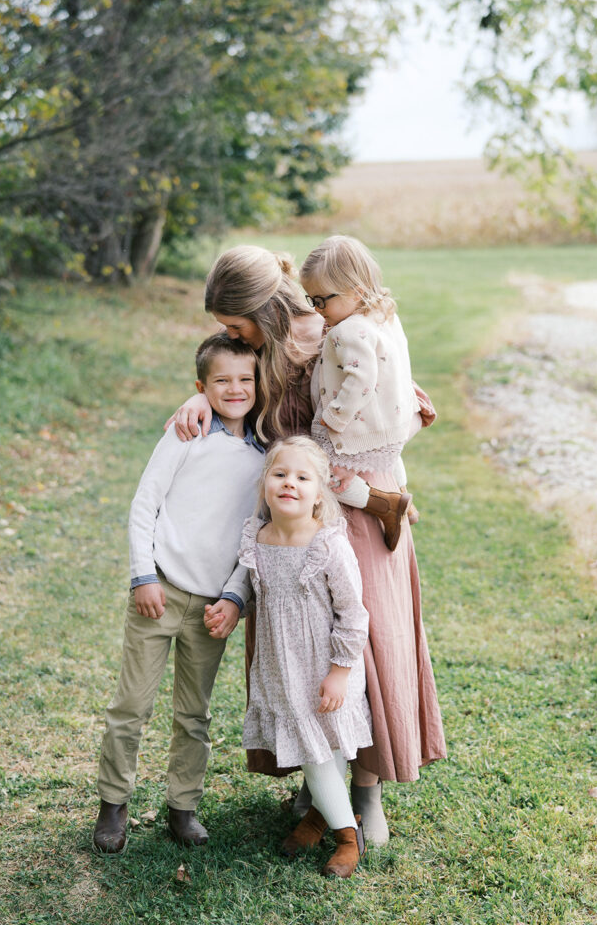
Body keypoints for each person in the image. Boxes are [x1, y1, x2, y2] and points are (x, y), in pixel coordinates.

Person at [168, 244, 446, 847]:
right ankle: (319, 779)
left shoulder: (335, 329)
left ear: (264, 309)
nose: (227, 333)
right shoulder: (254, 351)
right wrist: (197, 398)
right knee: (299, 651)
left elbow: (396, 393)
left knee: (364, 643)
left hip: (356, 506)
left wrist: (377, 481)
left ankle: (366, 787)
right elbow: (225, 385)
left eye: (233, 323)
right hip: (290, 521)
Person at [92, 334, 265, 854]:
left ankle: (182, 808)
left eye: (245, 379)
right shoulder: (186, 434)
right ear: (201, 387)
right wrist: (143, 575)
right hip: (161, 591)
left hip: (213, 606)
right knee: (131, 705)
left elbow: (257, 534)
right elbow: (145, 504)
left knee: (195, 714)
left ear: (259, 384)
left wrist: (235, 598)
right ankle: (113, 805)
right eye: (222, 381)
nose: (235, 389)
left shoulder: (264, 452)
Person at [209, 436, 371, 878]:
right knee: (319, 746)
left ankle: (346, 837)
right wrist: (231, 602)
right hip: (282, 666)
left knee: (322, 751)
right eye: (280, 474)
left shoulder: (328, 545)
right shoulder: (257, 536)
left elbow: (354, 615)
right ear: (265, 484)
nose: (290, 484)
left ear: (320, 493)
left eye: (303, 477)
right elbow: (247, 582)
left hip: (326, 665)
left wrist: (339, 672)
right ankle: (321, 817)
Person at [299, 234, 421, 551]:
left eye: (323, 300)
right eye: (311, 299)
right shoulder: (383, 316)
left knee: (323, 475)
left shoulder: (346, 331)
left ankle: (387, 505)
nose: (317, 308)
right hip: (393, 419)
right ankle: (406, 495)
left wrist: (334, 415)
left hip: (357, 422)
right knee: (388, 453)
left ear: (358, 291)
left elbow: (361, 379)